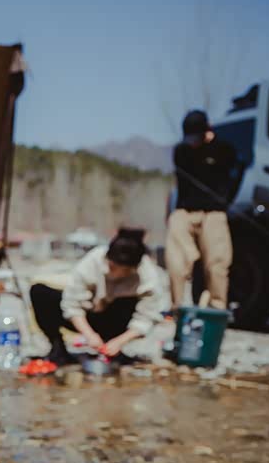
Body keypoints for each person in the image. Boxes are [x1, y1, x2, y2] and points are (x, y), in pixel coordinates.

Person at [29, 228, 164, 366]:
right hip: (89, 316)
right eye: (111, 267)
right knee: (40, 292)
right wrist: (89, 335)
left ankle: (114, 351)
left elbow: (147, 317)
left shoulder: (147, 275)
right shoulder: (94, 260)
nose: (115, 273)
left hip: (117, 321)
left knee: (127, 303)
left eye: (122, 270)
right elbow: (72, 304)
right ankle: (58, 348)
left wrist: (120, 341)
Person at [166, 109, 237, 310]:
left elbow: (231, 166)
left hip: (213, 213)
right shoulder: (182, 151)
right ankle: (177, 308)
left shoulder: (223, 150)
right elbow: (186, 161)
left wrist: (210, 142)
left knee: (217, 263)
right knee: (176, 262)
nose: (193, 142)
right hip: (184, 212)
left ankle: (217, 308)